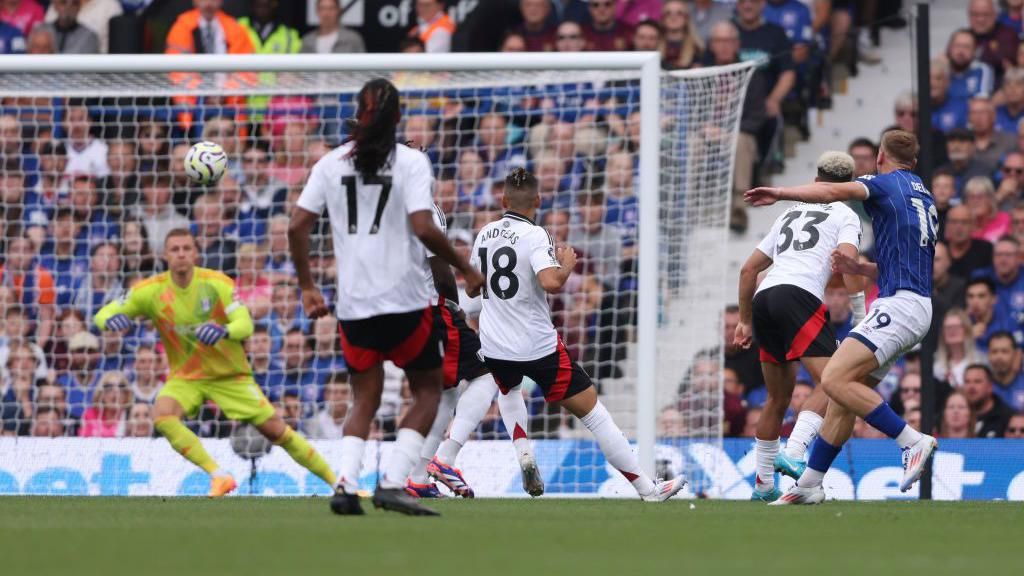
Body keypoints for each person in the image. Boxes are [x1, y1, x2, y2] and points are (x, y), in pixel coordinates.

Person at [289, 78, 483, 517]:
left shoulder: (331, 163)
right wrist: (467, 267)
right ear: (398, 118)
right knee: (429, 392)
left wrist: (306, 286)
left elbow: (296, 225)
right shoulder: (411, 162)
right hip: (405, 303)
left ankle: (344, 483)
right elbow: (424, 228)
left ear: (358, 115)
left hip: (353, 305)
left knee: (365, 398)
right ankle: (394, 482)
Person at [471, 167, 686, 503]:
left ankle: (523, 450)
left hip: (496, 344)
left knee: (508, 389)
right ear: (538, 200)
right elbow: (551, 283)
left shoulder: (485, 233)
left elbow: (471, 283)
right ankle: (647, 488)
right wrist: (567, 263)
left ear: (502, 200)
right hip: (536, 345)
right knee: (594, 413)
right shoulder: (536, 235)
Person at [746, 129, 938, 504]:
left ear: (880, 157)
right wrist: (859, 268)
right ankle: (809, 485)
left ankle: (911, 441)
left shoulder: (884, 183)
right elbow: (907, 264)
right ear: (914, 163)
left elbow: (833, 192)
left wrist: (780, 193)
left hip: (899, 306)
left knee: (833, 377)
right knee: (844, 394)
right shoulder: (925, 198)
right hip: (914, 304)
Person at [94, 228, 336, 498]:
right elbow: (104, 312)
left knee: (279, 432)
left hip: (230, 377)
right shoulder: (150, 290)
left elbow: (244, 324)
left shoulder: (217, 283)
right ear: (165, 255)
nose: (181, 254)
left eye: (187, 248)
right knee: (163, 415)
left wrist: (224, 331)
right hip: (186, 377)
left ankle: (338, 483)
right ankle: (219, 476)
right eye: (175, 249)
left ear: (196, 253)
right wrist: (109, 320)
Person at [734, 151, 865, 502]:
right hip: (800, 297)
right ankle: (794, 450)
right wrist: (859, 314)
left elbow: (748, 270)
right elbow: (847, 261)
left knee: (777, 397)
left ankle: (762, 486)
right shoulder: (846, 214)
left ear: (817, 175)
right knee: (838, 380)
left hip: (765, 298)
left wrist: (745, 320)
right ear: (849, 183)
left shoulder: (790, 212)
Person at [404, 202, 542, 500]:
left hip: (401, 309)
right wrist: (454, 310)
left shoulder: (386, 201)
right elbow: (440, 269)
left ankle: (418, 477)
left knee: (447, 393)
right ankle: (444, 460)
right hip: (432, 309)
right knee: (489, 373)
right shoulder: (426, 205)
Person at [962, 363, 1014, 437]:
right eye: (967, 382)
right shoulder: (951, 415)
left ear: (990, 386)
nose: (971, 387)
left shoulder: (1008, 418)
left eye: (977, 381)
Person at [300, 0, 364, 54]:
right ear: (317, 11)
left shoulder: (352, 39)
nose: (326, 13)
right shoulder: (307, 41)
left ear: (338, 11)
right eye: (323, 8)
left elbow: (362, 66)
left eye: (331, 8)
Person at [986, 331, 1024, 411]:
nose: (999, 357)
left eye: (1005, 351)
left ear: (1016, 354)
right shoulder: (982, 386)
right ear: (988, 355)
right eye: (994, 351)